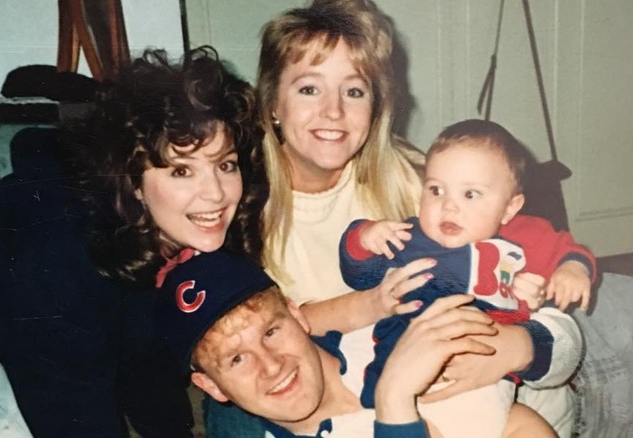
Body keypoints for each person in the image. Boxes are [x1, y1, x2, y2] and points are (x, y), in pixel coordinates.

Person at [205, 1, 584, 437]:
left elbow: (532, 261)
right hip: (405, 392)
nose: (333, 111)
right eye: (310, 88)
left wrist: (515, 346)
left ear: (375, 106)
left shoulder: (413, 178)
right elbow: (259, 341)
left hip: (534, 377)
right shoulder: (241, 209)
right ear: (272, 102)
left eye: (354, 90)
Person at [0, 46, 266, 437]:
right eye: (181, 171)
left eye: (224, 164)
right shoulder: (61, 264)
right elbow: (72, 410)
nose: (215, 194)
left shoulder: (155, 227)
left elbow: (142, 358)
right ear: (134, 182)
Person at [339, 119, 596, 437]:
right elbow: (359, 276)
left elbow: (568, 250)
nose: (448, 205)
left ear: (509, 208)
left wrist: (573, 269)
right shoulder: (410, 238)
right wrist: (364, 237)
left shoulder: (522, 237)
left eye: (470, 194)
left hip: (482, 377)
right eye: (436, 190)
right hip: (399, 369)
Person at [156, 250, 557, 437]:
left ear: (298, 316)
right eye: (237, 359)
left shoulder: (381, 327)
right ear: (211, 387)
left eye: (271, 332)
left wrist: (524, 343)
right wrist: (394, 399)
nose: (272, 365)